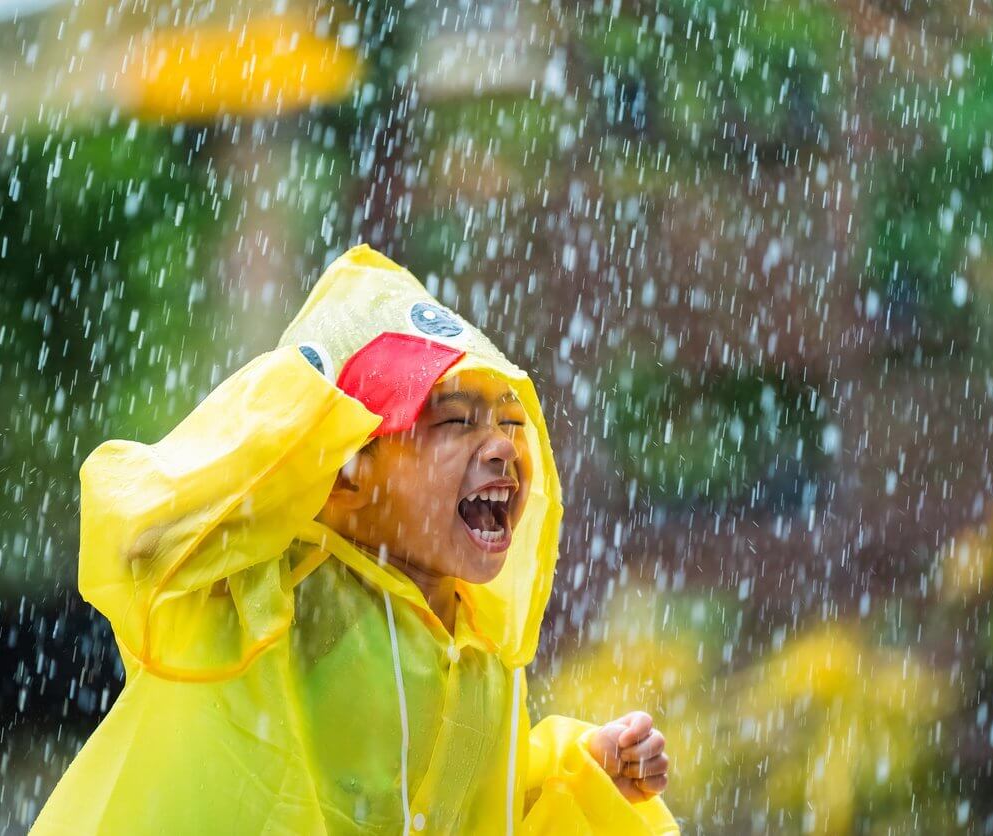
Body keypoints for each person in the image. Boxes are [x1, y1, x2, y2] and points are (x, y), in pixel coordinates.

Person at [33, 244, 678, 834]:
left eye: (512, 422)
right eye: (455, 421)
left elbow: (476, 811)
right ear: (349, 472)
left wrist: (584, 767)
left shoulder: (482, 654)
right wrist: (294, 414)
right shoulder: (287, 592)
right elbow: (148, 543)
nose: (502, 447)